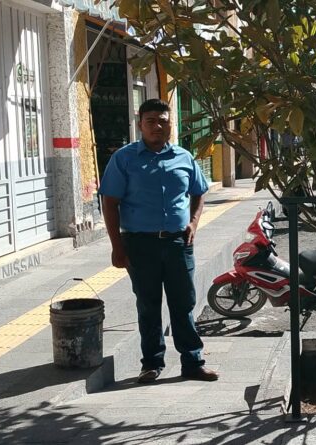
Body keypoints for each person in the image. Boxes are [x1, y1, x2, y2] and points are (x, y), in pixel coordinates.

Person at [99, 99, 218, 384]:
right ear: (140, 124)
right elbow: (110, 202)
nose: (157, 126)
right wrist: (117, 246)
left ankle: (193, 362)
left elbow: (199, 191)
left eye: (163, 121)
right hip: (140, 245)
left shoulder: (184, 157)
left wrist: (193, 222)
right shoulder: (124, 159)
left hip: (178, 244)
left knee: (183, 304)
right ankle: (151, 364)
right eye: (151, 121)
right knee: (148, 304)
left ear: (170, 125)